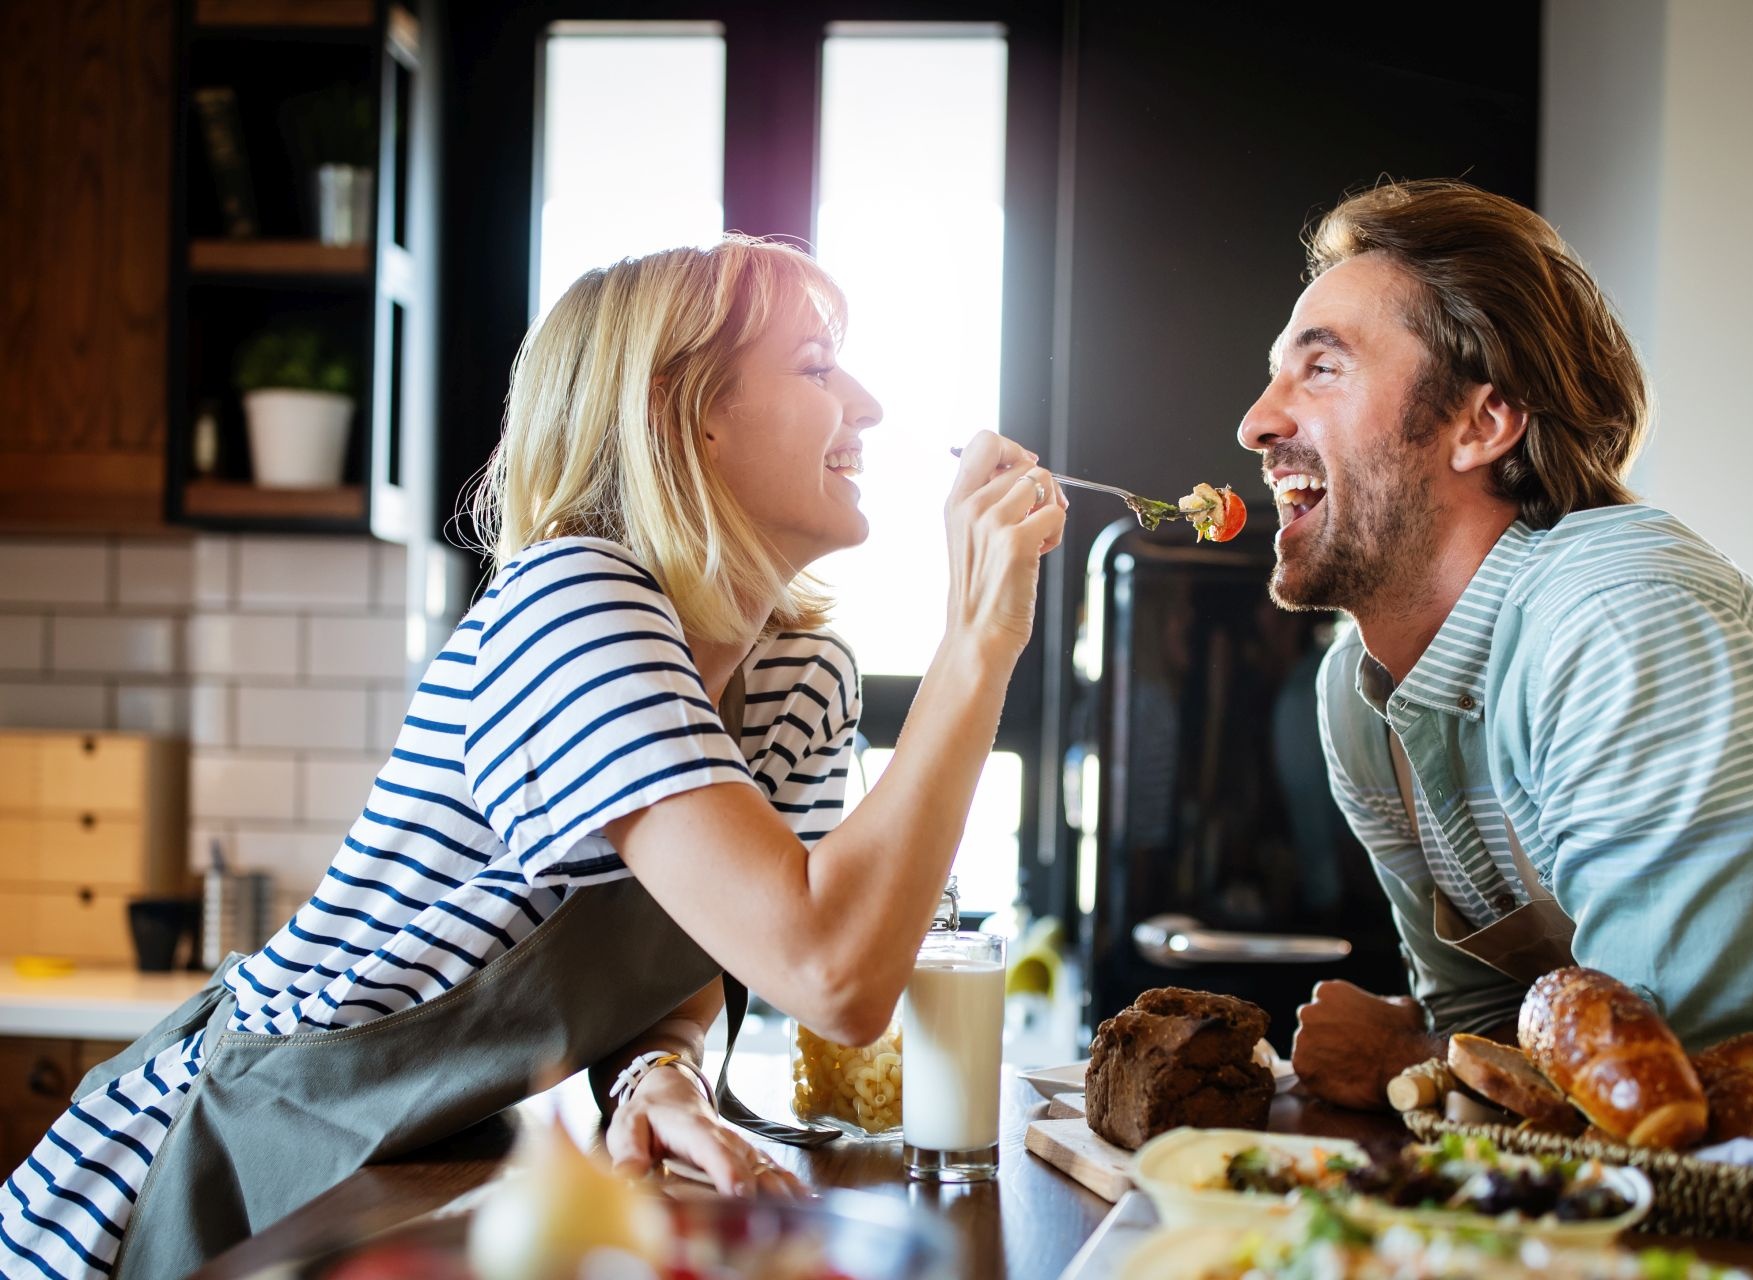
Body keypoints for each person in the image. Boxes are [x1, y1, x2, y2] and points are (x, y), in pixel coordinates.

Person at [0, 237, 1066, 1278]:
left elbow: (698, 949)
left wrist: (661, 1067)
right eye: (818, 365)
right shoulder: (574, 601)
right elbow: (832, 968)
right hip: (197, 1162)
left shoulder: (801, 676)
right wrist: (978, 637)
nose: (868, 406)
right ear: (682, 413)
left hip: (400, 1166)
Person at [1237, 179, 1753, 1112]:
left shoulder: (1623, 623)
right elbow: (1491, 1028)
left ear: (1483, 421)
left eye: (1321, 370)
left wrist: (1415, 1055)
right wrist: (1443, 1051)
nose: (1258, 424)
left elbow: (1701, 1092)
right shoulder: (1358, 706)